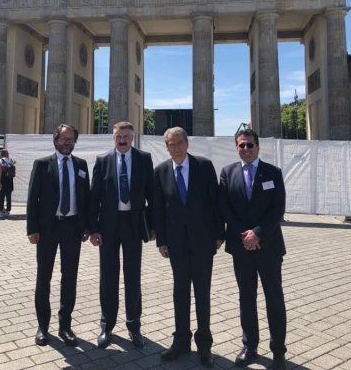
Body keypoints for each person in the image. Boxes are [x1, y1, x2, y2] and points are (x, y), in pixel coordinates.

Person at [153, 127, 225, 367]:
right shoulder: (161, 171)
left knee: (202, 292)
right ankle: (181, 341)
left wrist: (219, 234)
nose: (175, 148)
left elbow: (216, 202)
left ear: (187, 144)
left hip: (203, 242)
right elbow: (158, 210)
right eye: (171, 144)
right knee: (180, 292)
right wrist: (161, 241)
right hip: (175, 244)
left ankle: (204, 345)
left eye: (179, 143)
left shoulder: (203, 166)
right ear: (166, 147)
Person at [218, 129, 287, 370]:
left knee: (274, 299)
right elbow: (224, 207)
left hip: (268, 246)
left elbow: (278, 208)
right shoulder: (227, 173)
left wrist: (257, 232)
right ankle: (249, 347)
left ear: (258, 147)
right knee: (246, 298)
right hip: (241, 248)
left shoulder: (273, 172)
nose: (245, 149)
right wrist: (245, 236)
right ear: (236, 148)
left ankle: (278, 350)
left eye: (249, 145)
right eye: (241, 146)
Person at [89, 121, 154, 349]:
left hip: (133, 225)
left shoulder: (144, 159)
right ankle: (107, 326)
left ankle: (134, 325)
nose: (122, 139)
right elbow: (93, 196)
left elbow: (152, 194)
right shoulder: (102, 160)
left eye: (126, 135)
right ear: (113, 138)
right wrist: (93, 229)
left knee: (132, 275)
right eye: (118, 136)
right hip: (108, 227)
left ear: (132, 137)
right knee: (108, 276)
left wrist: (153, 227)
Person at [26, 124, 90, 347]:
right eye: (63, 139)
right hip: (47, 229)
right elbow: (32, 198)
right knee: (44, 278)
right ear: (55, 141)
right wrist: (32, 229)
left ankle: (65, 326)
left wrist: (87, 226)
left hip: (72, 228)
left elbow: (86, 198)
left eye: (71, 139)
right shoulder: (42, 164)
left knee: (69, 278)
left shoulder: (81, 165)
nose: (67, 143)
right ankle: (43, 327)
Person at [0, 149, 16, 218]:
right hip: (10, 180)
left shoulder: (0, 161)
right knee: (8, 196)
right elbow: (15, 162)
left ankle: (1, 212)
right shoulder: (10, 160)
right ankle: (8, 211)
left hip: (3, 179)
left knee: (1, 196)